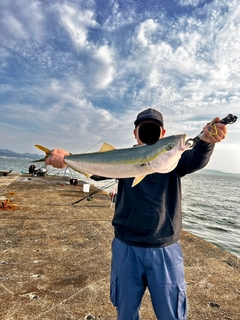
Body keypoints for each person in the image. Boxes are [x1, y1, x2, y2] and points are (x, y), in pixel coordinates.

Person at [45, 108, 227, 320]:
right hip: (126, 246)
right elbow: (95, 169)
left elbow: (196, 159)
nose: (149, 133)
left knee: (172, 315)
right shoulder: (122, 158)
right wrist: (66, 157)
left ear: (163, 131)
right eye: (144, 129)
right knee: (126, 312)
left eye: (155, 129)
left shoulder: (175, 159)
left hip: (164, 248)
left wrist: (207, 141)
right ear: (135, 133)